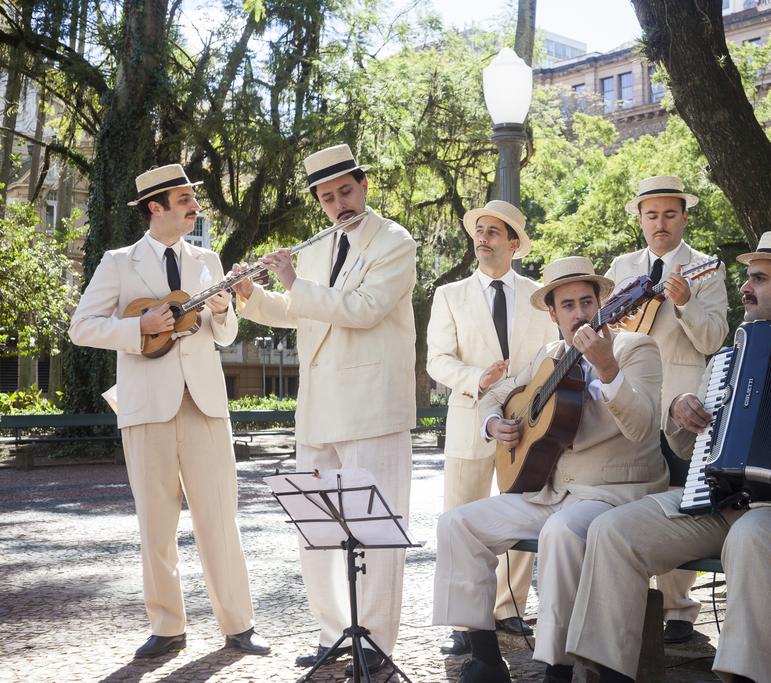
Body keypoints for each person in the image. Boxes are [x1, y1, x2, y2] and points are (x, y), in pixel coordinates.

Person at [566, 232, 771, 683]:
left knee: (752, 535)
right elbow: (689, 448)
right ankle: (608, 675)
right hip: (719, 501)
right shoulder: (730, 356)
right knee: (612, 531)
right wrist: (680, 411)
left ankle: (744, 678)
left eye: (759, 279)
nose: (744, 287)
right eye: (747, 277)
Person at [432, 256, 669, 683]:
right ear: (552, 313)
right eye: (568, 305)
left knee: (561, 533)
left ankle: (556, 670)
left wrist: (608, 367)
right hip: (553, 492)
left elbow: (642, 426)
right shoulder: (549, 355)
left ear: (603, 304)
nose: (578, 313)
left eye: (586, 302)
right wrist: (493, 423)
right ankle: (485, 659)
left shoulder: (636, 349)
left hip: (613, 493)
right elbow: (498, 393)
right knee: (456, 524)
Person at [68, 164, 269, 658]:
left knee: (220, 517)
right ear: (154, 207)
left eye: (192, 198)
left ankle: (239, 624)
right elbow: (81, 326)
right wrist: (140, 327)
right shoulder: (118, 262)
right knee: (156, 524)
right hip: (145, 410)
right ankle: (167, 626)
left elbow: (223, 336)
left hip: (204, 404)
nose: (193, 206)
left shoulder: (209, 258)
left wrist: (223, 310)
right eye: (183, 199)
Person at [230, 144, 416, 673]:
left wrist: (291, 281)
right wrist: (251, 296)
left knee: (376, 530)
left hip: (372, 406)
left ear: (364, 185)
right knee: (316, 527)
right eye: (327, 197)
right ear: (318, 200)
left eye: (346, 191)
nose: (339, 204)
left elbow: (363, 309)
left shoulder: (394, 241)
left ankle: (375, 639)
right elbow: (300, 312)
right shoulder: (316, 248)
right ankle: (332, 630)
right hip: (317, 408)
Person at [426, 200, 558, 655]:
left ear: (514, 243)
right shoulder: (449, 295)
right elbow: (436, 359)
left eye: (493, 232)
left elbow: (550, 356)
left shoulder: (541, 296)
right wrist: (475, 380)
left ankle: (508, 609)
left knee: (523, 513)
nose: (482, 237)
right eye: (478, 230)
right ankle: (466, 622)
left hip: (529, 425)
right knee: (458, 516)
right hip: (470, 420)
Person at [605, 175, 729, 643]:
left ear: (684, 217)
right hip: (632, 393)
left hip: (683, 400)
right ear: (640, 219)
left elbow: (714, 338)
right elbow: (612, 332)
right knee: (636, 491)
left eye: (669, 214)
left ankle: (679, 609)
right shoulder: (622, 265)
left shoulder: (707, 268)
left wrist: (686, 303)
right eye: (651, 214)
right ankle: (635, 605)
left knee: (679, 500)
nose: (660, 223)